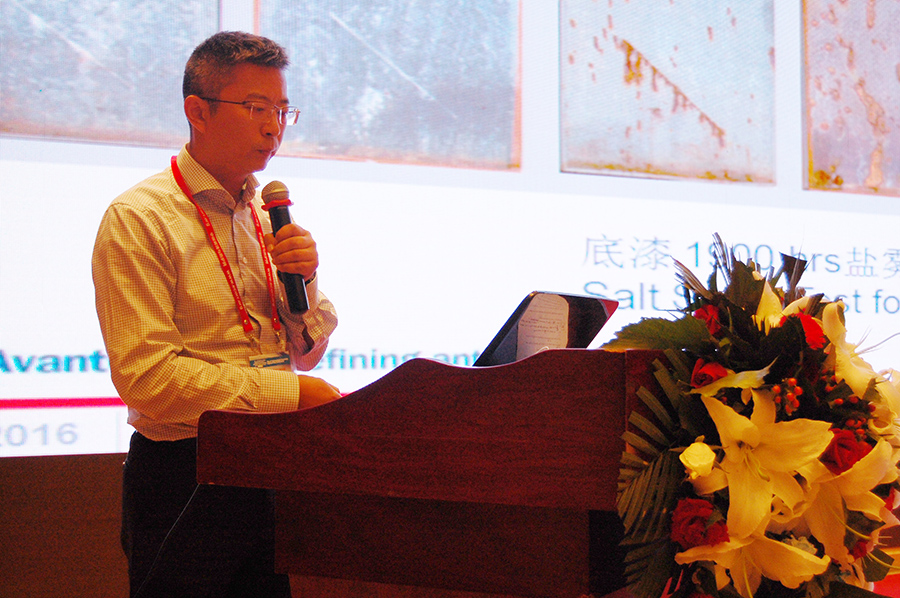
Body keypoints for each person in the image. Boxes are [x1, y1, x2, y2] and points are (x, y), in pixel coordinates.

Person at [92, 31, 340, 598]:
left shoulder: (267, 215)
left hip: (273, 464)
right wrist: (289, 394)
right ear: (197, 111)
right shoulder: (140, 218)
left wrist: (304, 282)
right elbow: (148, 378)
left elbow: (306, 352)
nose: (274, 127)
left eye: (282, 110)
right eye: (256, 108)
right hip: (184, 473)